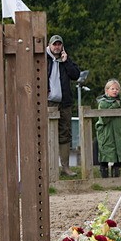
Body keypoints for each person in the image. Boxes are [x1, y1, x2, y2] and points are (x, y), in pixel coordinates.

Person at [45, 34, 82, 175]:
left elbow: (76, 75)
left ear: (62, 46)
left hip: (64, 103)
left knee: (65, 134)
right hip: (48, 102)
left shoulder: (65, 59)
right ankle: (49, 167)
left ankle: (65, 167)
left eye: (59, 44)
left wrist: (66, 62)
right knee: (47, 134)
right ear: (49, 45)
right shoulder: (43, 59)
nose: (57, 47)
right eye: (54, 44)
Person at [94, 79, 121, 178]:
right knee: (105, 153)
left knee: (118, 153)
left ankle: (116, 176)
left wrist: (120, 103)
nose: (115, 91)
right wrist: (115, 105)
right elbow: (104, 119)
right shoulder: (103, 103)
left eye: (117, 89)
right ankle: (104, 176)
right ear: (107, 90)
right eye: (112, 89)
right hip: (106, 133)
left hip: (117, 132)